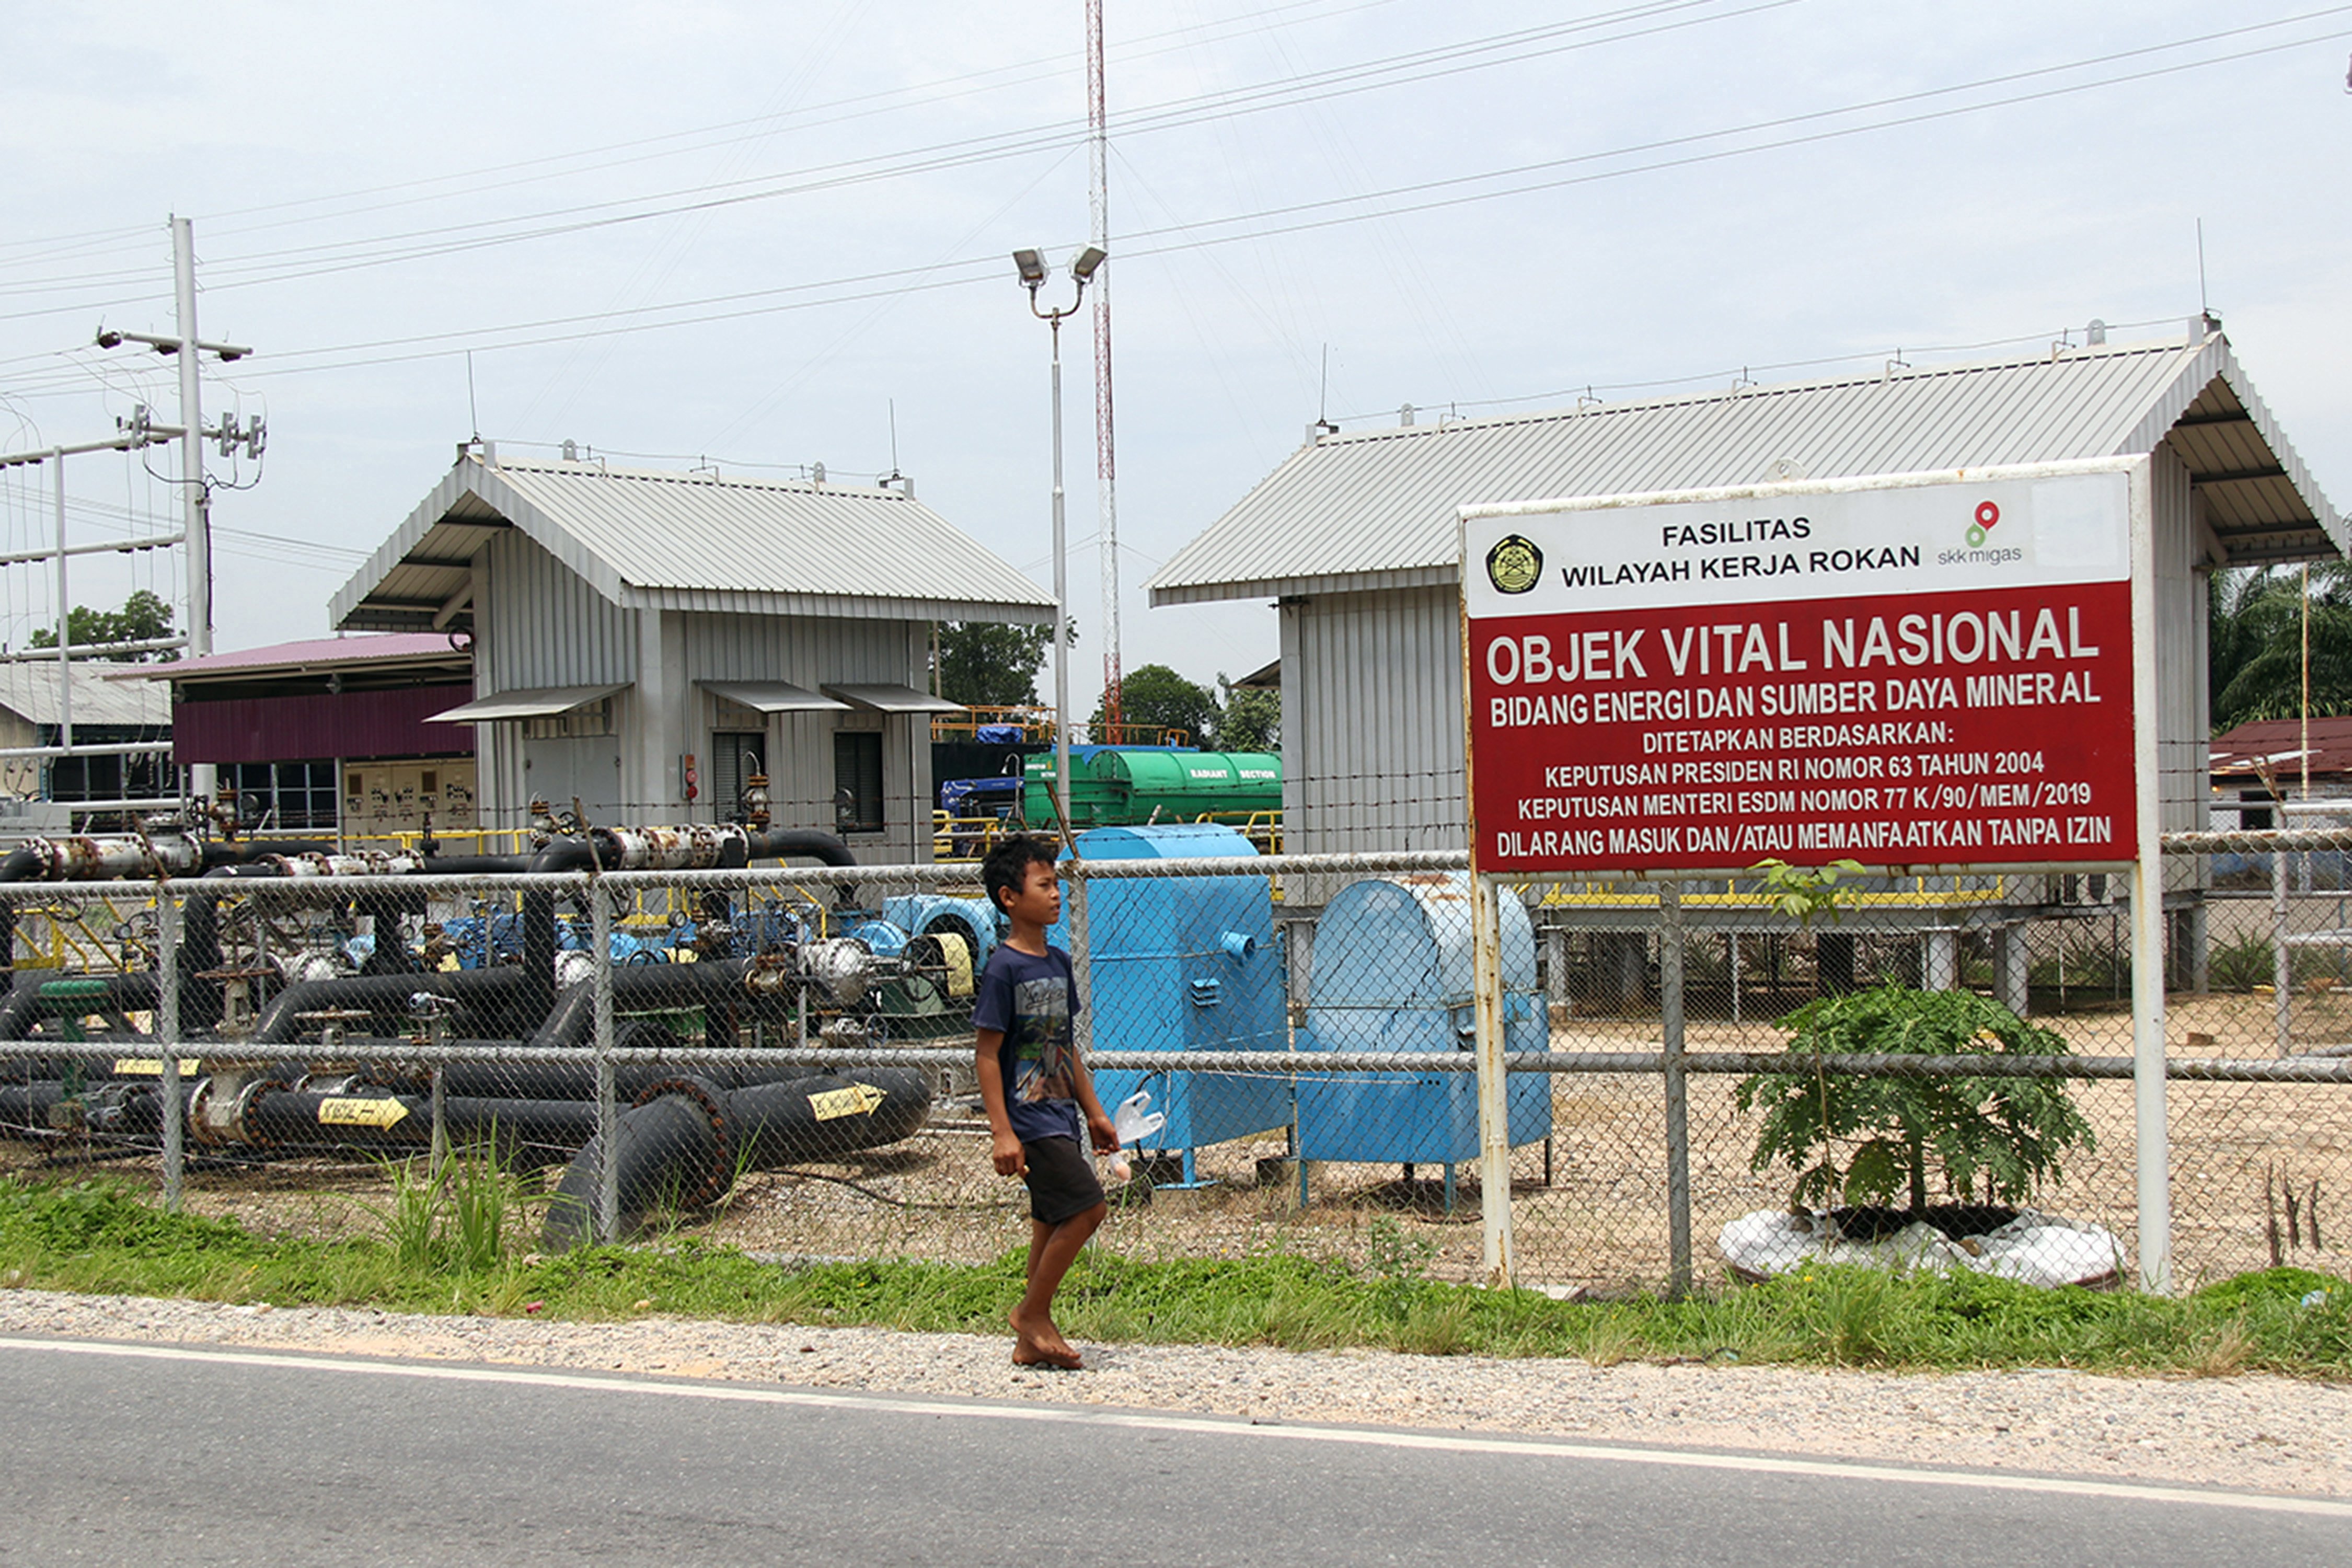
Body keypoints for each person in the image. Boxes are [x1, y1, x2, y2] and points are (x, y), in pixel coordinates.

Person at [972, 833, 1117, 1369]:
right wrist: (1002, 1131)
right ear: (1011, 898)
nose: (1058, 895)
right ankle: (1033, 1314)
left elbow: (1064, 1047)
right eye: (1046, 885)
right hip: (1029, 1119)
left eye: (1058, 884)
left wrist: (1095, 1112)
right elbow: (987, 1055)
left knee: (1049, 1222)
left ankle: (1027, 1343)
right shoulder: (1003, 969)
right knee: (1089, 1207)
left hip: (1060, 1112)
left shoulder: (1056, 961)